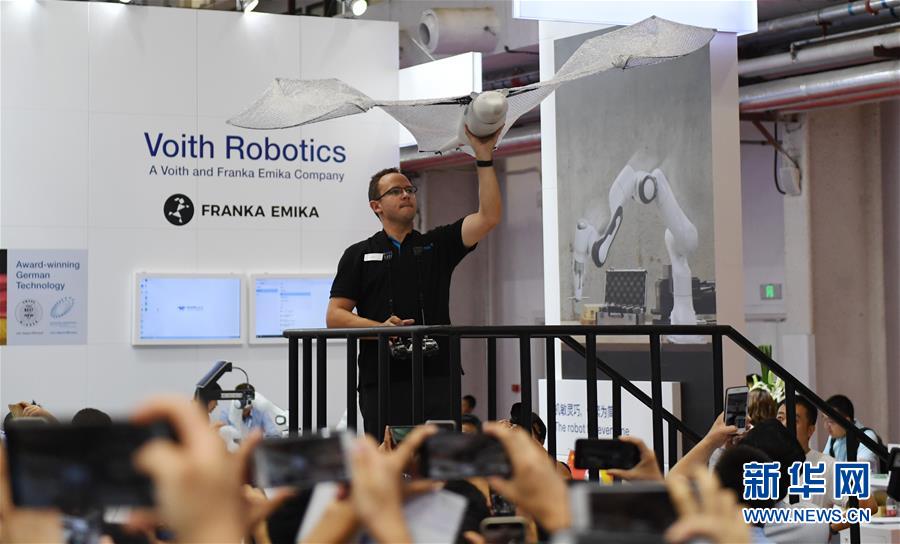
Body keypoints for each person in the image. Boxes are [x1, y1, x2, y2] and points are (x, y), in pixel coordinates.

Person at [327, 126, 502, 436]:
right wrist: (381, 329)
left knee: (439, 458)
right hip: (382, 378)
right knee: (388, 459)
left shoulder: (437, 244)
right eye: (395, 191)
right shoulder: (358, 254)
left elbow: (488, 217)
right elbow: (335, 316)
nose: (406, 194)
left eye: (409, 189)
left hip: (437, 374)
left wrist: (484, 156)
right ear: (376, 206)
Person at [822, 394, 882, 472]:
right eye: (824, 419)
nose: (826, 426)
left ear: (846, 421)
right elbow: (824, 465)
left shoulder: (866, 436)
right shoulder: (833, 437)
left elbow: (861, 472)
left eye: (831, 421)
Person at [214, 383, 281, 438]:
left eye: (248, 399)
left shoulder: (261, 412)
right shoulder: (226, 413)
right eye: (242, 399)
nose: (245, 402)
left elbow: (274, 435)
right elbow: (222, 438)